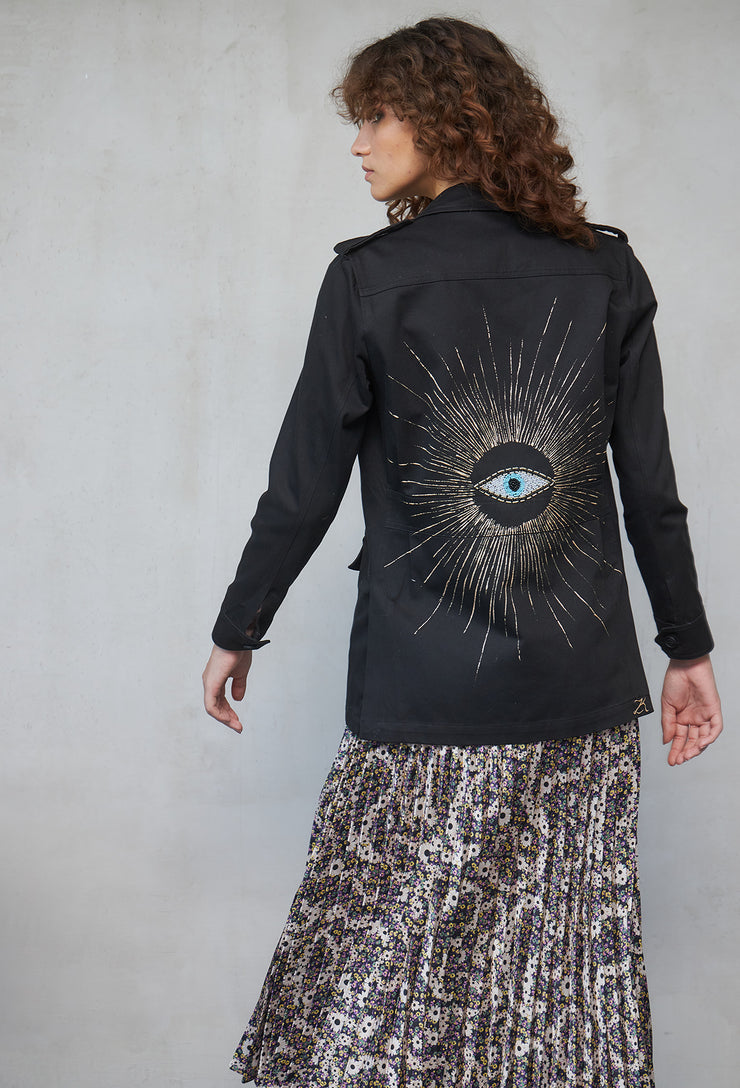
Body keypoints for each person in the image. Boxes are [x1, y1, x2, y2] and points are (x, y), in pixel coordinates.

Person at [203, 17, 722, 1088]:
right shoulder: (605, 272)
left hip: (422, 686)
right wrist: (686, 646)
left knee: (380, 982)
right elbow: (651, 488)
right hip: (581, 690)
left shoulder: (368, 280)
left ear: (447, 121)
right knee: (553, 991)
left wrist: (236, 627)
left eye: (375, 117)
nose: (358, 144)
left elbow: (302, 488)